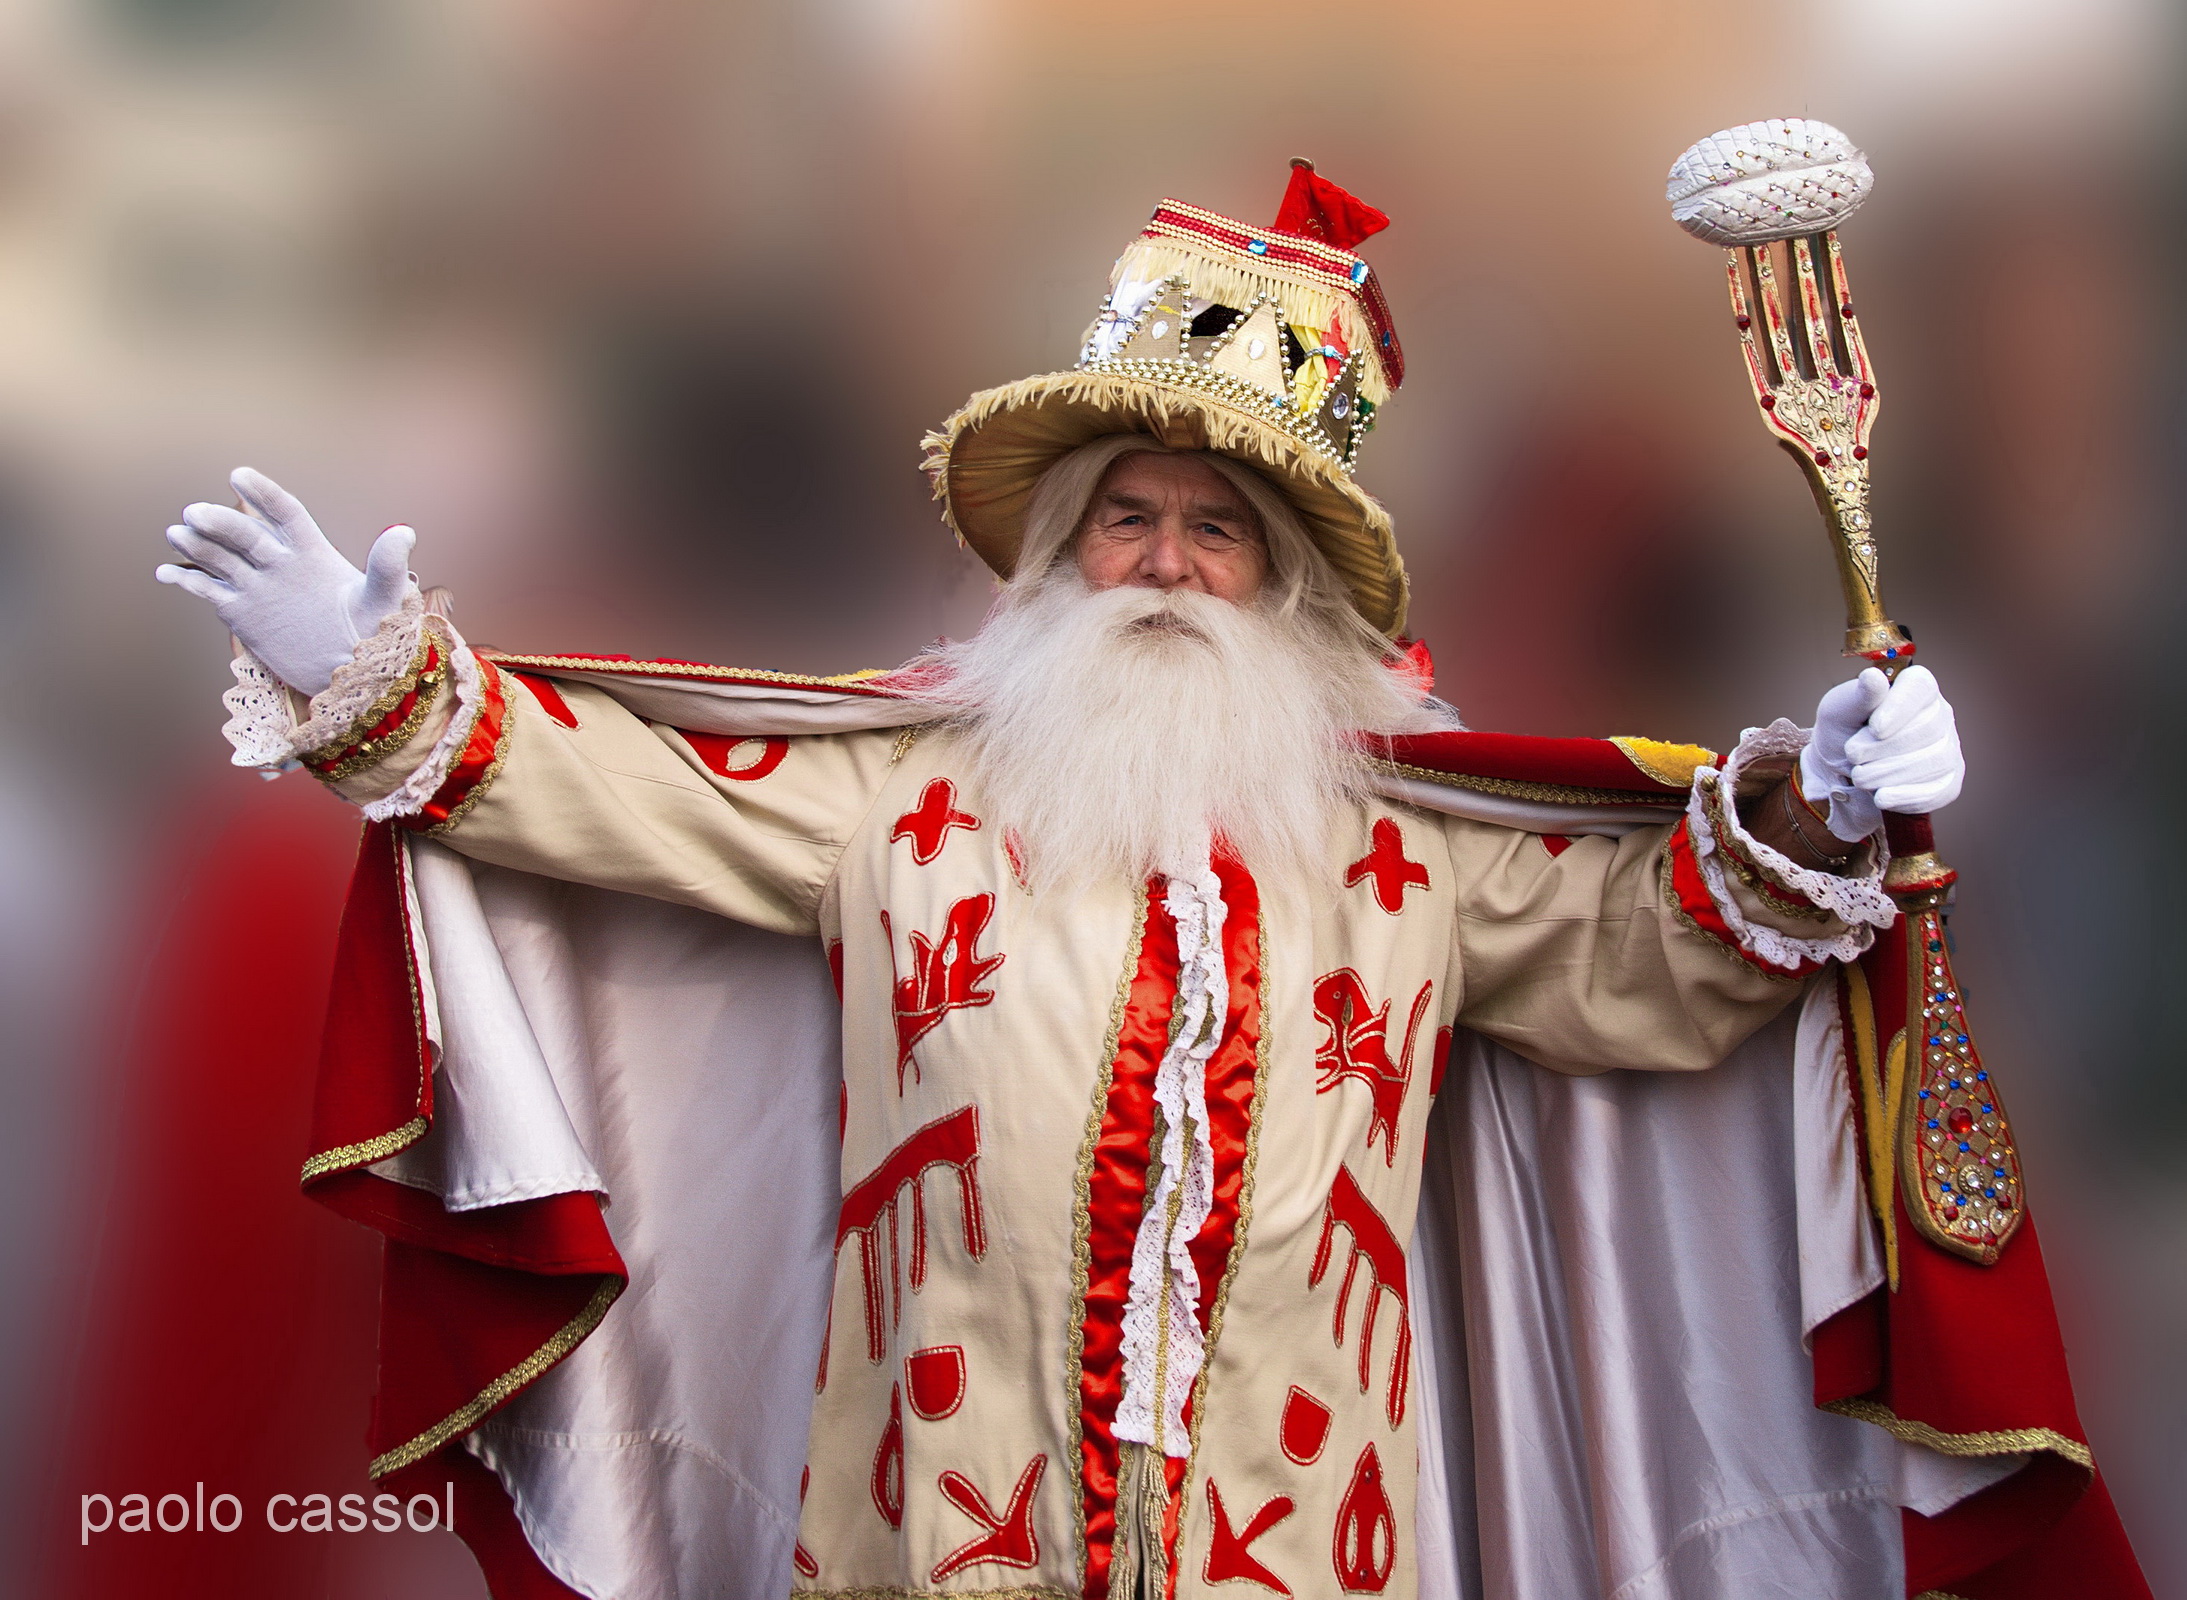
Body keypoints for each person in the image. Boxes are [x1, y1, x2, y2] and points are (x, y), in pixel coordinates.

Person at [152, 166, 2139, 1600]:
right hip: (919, 1546)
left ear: (1288, 586)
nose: (1170, 564)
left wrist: (1815, 809)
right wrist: (375, 669)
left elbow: (1656, 959)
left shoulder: (1404, 845)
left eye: (1218, 527)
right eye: (1128, 518)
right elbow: (610, 786)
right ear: (1057, 554)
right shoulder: (900, 794)